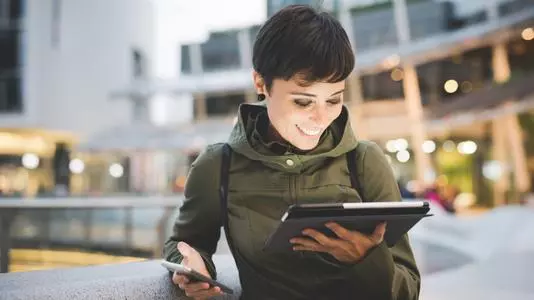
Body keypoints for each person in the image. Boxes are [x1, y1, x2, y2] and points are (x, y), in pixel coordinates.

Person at [164, 5, 420, 300]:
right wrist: (192, 267)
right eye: (303, 102)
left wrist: (366, 260)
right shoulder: (218, 165)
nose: (322, 118)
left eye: (334, 100)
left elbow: (409, 289)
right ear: (261, 84)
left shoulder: (365, 162)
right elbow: (184, 244)